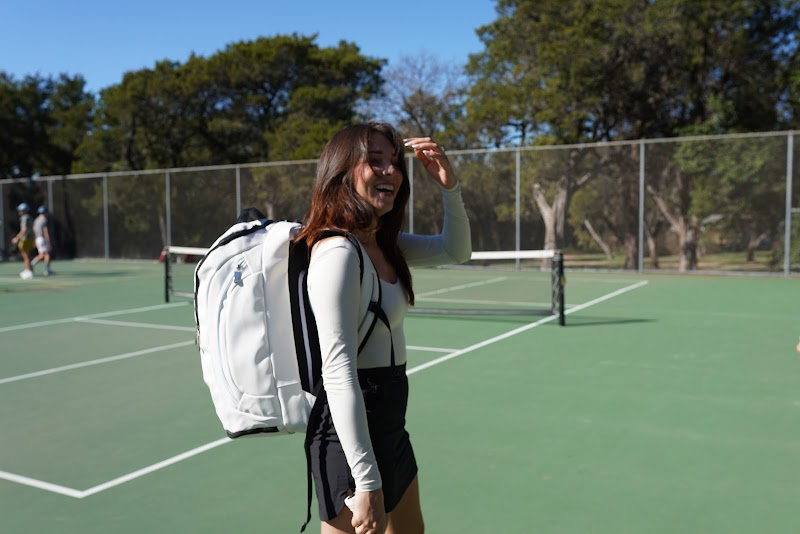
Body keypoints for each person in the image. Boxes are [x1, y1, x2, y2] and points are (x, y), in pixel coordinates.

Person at [295, 122, 471, 534]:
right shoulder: (337, 252)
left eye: (394, 162)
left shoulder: (387, 244)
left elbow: (455, 250)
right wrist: (367, 479)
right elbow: (337, 371)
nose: (390, 170)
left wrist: (450, 186)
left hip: (392, 426)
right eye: (374, 161)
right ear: (342, 171)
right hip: (349, 438)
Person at [10, 203, 35, 279]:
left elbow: (24, 229)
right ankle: (30, 270)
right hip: (30, 238)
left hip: (26, 239)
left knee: (25, 255)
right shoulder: (29, 217)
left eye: (20, 210)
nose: (19, 211)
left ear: (24, 210)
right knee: (27, 255)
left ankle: (29, 271)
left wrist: (17, 238)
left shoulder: (24, 218)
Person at [31, 205, 53, 276]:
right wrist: (48, 240)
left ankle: (31, 264)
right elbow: (45, 231)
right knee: (46, 254)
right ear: (45, 212)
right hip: (43, 239)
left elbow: (34, 230)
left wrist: (35, 240)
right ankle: (47, 270)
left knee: (42, 255)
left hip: (38, 239)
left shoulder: (36, 220)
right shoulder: (44, 220)